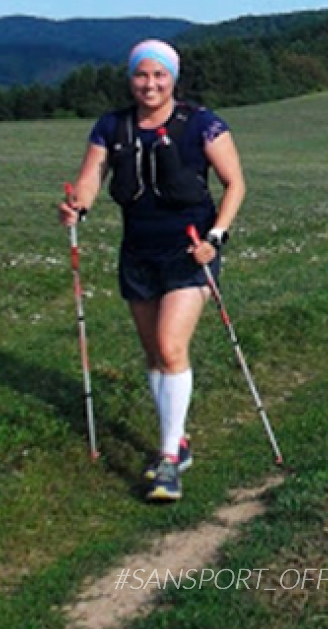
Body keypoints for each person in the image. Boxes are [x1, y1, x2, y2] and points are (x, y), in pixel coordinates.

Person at [58, 39, 246, 502]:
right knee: (154, 355)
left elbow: (235, 183)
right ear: (131, 78)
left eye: (159, 75)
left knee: (170, 344)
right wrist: (76, 207)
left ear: (173, 79)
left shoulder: (203, 124)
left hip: (190, 250)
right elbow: (90, 178)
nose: (150, 84)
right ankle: (176, 440)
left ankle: (167, 462)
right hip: (138, 251)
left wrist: (216, 237)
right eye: (142, 75)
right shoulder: (112, 126)